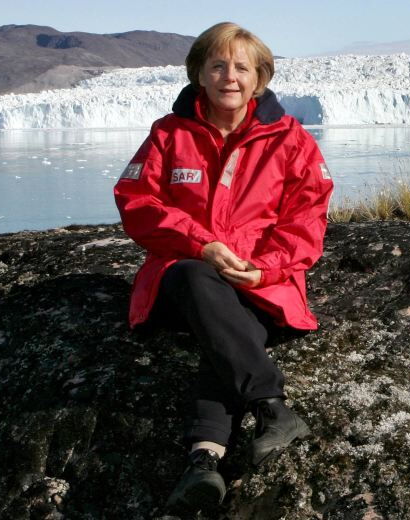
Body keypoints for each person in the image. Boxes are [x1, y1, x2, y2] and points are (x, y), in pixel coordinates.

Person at [113, 21, 333, 512]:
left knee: (224, 338)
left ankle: (203, 462)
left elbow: (307, 217)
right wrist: (201, 244)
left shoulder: (290, 140)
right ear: (199, 75)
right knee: (197, 278)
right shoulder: (169, 135)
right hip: (185, 281)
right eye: (217, 65)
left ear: (260, 78)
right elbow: (136, 200)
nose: (228, 76)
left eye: (241, 67)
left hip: (260, 286)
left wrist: (265, 270)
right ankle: (271, 406)